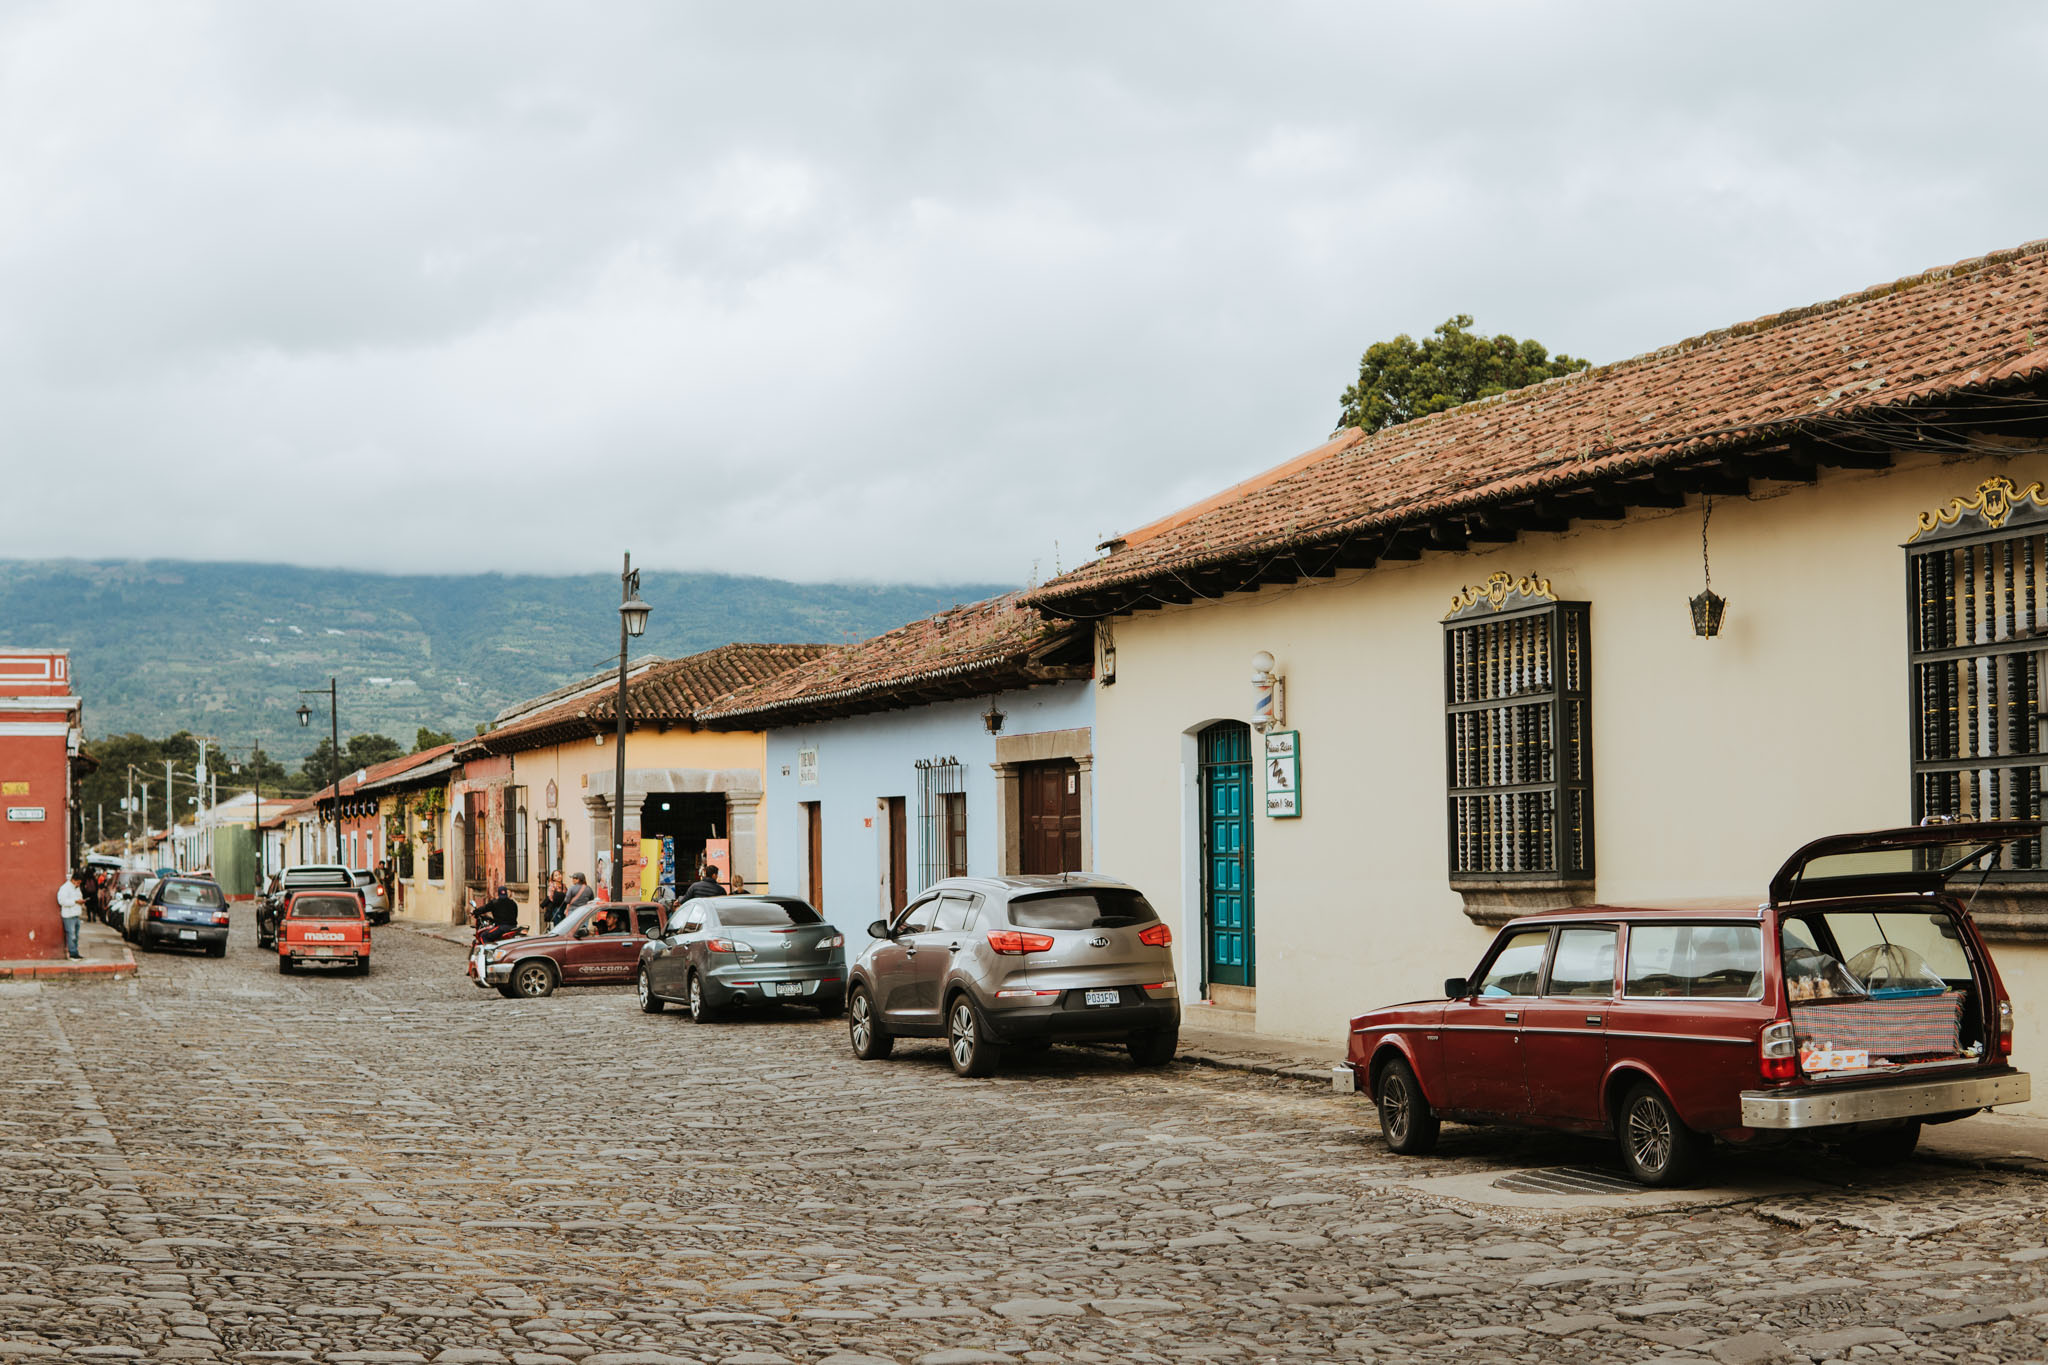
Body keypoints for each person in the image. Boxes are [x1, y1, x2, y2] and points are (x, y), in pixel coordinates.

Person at [56, 871, 85, 959]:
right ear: (73, 880)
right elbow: (62, 901)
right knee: (71, 935)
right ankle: (72, 953)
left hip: (76, 914)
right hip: (68, 915)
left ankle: (75, 951)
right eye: (78, 882)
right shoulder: (65, 888)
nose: (78, 884)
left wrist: (81, 901)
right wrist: (75, 901)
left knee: (76, 935)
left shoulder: (76, 888)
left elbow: (78, 896)